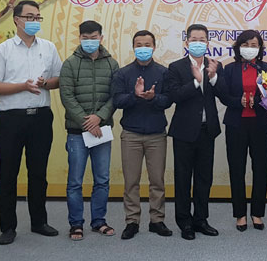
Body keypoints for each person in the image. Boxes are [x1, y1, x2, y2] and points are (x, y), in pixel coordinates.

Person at [0, 0, 62, 245]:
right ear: (16, 19)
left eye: (38, 17)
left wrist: (43, 84)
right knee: (8, 173)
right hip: (11, 119)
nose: (34, 21)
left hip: (40, 118)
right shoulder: (2, 50)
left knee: (38, 173)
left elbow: (57, 79)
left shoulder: (48, 48)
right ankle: (7, 227)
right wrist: (23, 85)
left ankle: (39, 222)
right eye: (29, 17)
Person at [59, 21, 119, 241]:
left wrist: (99, 118)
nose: (89, 41)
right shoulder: (70, 64)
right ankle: (76, 224)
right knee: (75, 181)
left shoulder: (112, 64)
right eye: (85, 37)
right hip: (77, 132)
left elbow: (116, 96)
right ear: (79, 38)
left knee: (102, 179)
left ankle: (98, 221)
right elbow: (67, 97)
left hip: (102, 130)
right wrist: (87, 122)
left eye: (94, 37)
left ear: (101, 38)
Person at [111, 30, 173, 240]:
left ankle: (157, 220)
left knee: (157, 180)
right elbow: (117, 101)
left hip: (157, 135)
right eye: (139, 44)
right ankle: (132, 221)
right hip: (131, 134)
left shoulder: (164, 73)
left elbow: (168, 101)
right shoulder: (123, 73)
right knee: (131, 181)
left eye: (147, 44)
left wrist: (153, 98)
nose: (143, 47)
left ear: (154, 47)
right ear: (134, 47)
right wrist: (134, 96)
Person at [166, 24, 226, 240]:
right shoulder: (176, 67)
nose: (198, 43)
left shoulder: (215, 66)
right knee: (183, 178)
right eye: (194, 39)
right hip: (183, 132)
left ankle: (201, 219)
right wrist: (195, 82)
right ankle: (184, 222)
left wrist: (212, 78)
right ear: (186, 42)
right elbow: (174, 96)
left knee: (204, 178)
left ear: (208, 43)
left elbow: (225, 96)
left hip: (206, 131)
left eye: (202, 40)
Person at [220, 30, 267, 231]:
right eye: (246, 44)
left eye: (254, 45)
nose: (250, 48)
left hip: (259, 124)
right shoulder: (230, 68)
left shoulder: (266, 67)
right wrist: (238, 101)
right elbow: (224, 96)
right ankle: (240, 214)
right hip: (236, 124)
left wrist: (256, 101)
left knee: (260, 168)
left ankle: (257, 213)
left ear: (259, 48)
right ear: (239, 46)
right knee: (237, 168)